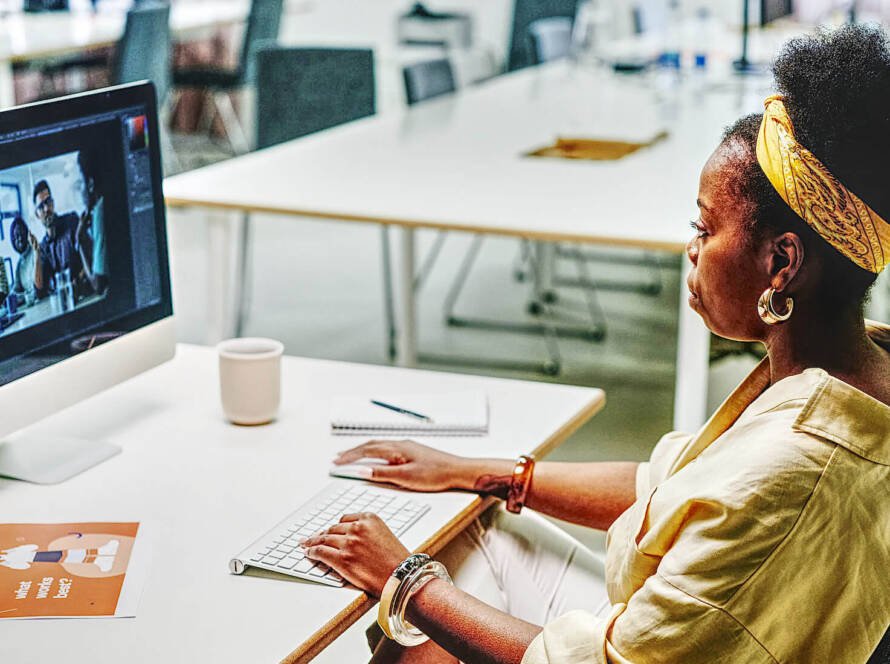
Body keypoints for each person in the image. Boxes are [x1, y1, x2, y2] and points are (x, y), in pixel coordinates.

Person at [300, 25, 890, 663]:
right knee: (473, 536)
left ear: (782, 262)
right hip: (674, 627)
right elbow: (663, 487)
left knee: (423, 606)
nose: (690, 248)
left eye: (704, 225)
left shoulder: (798, 467)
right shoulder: (853, 368)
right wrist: (480, 471)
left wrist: (406, 582)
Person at [32, 178, 95, 300]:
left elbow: (91, 255)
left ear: (53, 203)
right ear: (37, 215)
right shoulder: (43, 247)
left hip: (87, 295)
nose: (46, 209)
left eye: (48, 201)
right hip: (65, 303)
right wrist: (36, 254)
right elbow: (39, 291)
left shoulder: (72, 222)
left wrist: (78, 280)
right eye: (41, 206)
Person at [10, 216, 39, 305]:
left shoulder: (36, 252)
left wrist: (22, 297)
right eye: (16, 236)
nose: (19, 239)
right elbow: (15, 290)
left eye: (21, 233)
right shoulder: (20, 264)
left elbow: (37, 290)